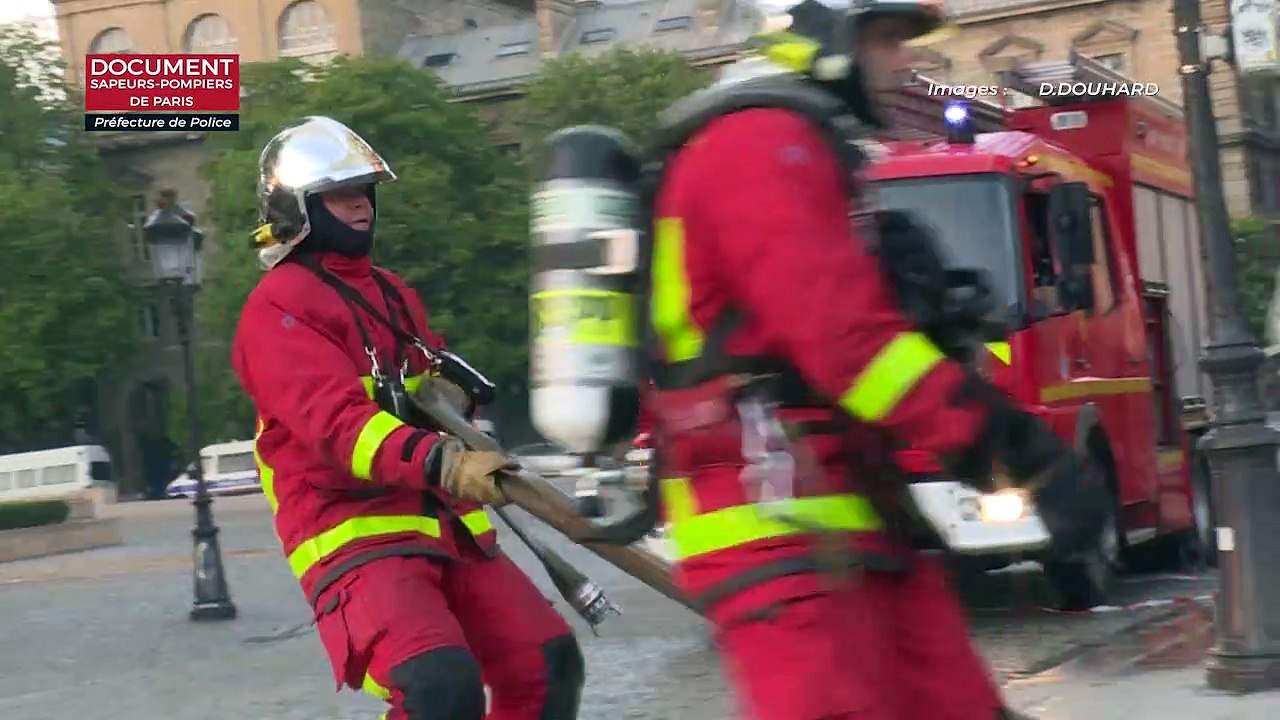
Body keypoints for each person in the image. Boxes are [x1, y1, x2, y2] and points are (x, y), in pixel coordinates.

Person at [641, 1, 1110, 718]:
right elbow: (845, 341)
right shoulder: (760, 141)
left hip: (856, 519)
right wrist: (1012, 449)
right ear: (820, 30)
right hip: (775, 531)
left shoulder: (800, 143)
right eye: (886, 39)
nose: (905, 62)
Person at [232, 116, 584, 720]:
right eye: (341, 195)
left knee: (548, 666)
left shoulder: (390, 293)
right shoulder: (276, 308)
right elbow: (338, 428)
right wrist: (446, 461)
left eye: (364, 192)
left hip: (444, 525)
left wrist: (454, 403)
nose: (361, 206)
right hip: (355, 536)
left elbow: (425, 396)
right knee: (440, 690)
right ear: (301, 207)